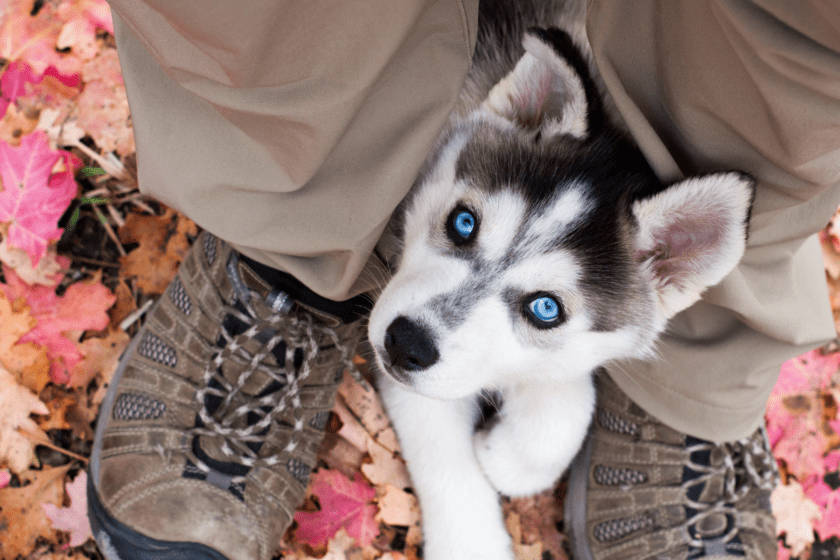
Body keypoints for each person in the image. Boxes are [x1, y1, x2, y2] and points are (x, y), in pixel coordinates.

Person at [87, 1, 840, 559]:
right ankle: (284, 229)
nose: (429, 315)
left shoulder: (649, 264)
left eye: (544, 307)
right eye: (465, 226)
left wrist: (557, 400)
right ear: (516, 104)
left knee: (782, 48)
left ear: (670, 270)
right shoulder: (502, 126)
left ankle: (693, 386)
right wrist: (462, 503)